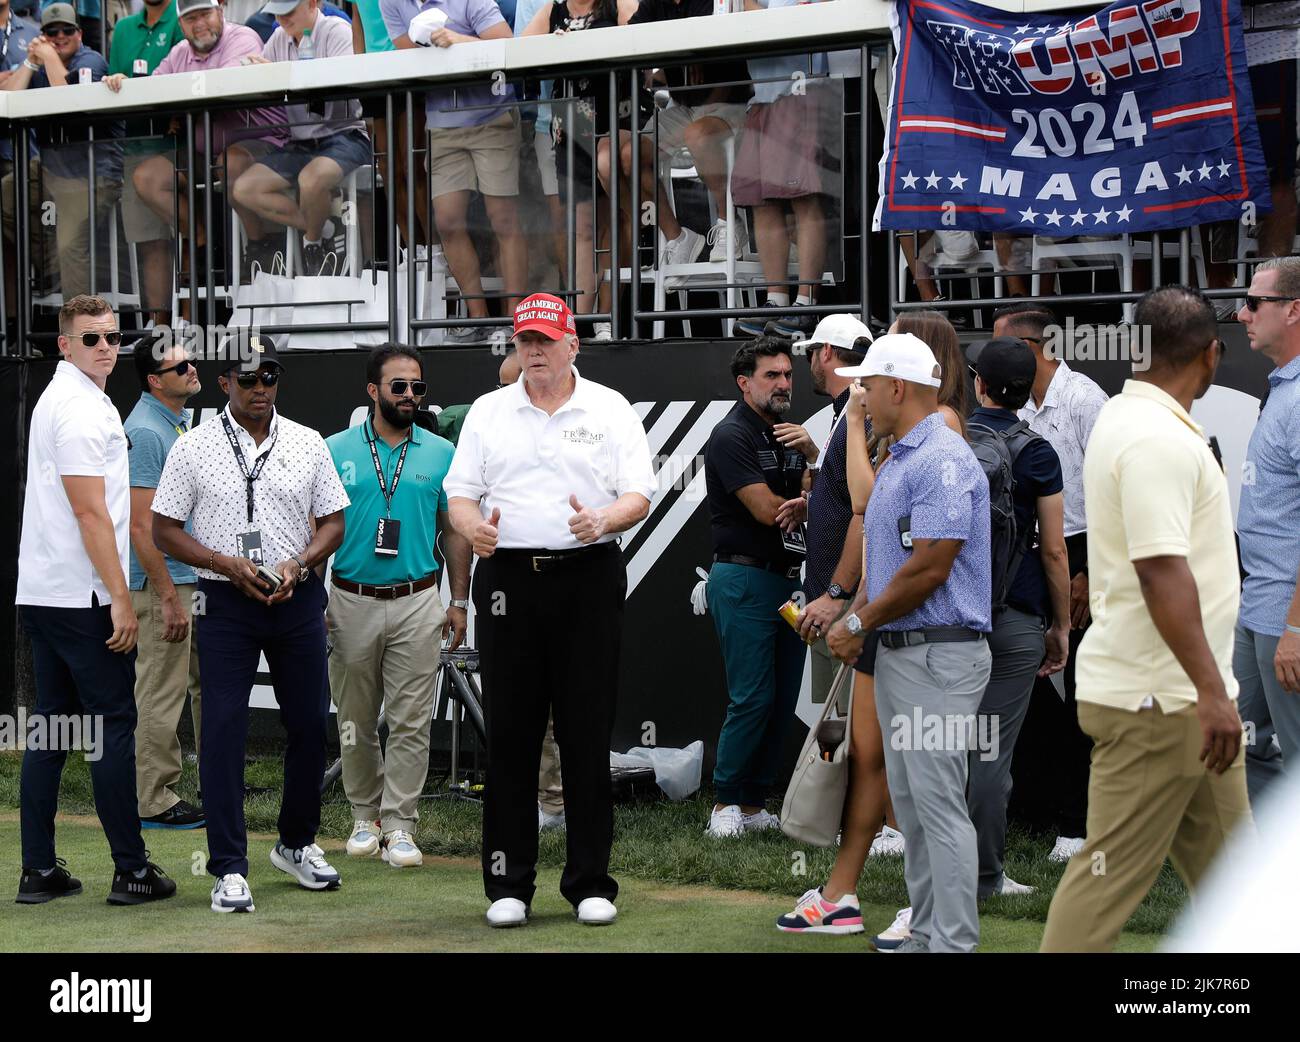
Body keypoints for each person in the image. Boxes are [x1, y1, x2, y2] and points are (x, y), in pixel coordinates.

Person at [1041, 286, 1251, 952]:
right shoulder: (1156, 437)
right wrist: (1213, 693)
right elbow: (1161, 572)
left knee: (1241, 888)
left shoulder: (1132, 422)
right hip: (1161, 705)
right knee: (1105, 879)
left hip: (1179, 699)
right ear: (1212, 355)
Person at [445, 292, 655, 927]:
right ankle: (509, 885)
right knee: (509, 734)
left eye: (544, 339)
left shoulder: (610, 408)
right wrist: (474, 530)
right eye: (524, 340)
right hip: (508, 578)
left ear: (572, 345)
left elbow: (639, 495)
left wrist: (603, 519)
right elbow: (459, 495)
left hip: (588, 574)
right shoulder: (488, 411)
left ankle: (590, 880)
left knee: (586, 733)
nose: (533, 350)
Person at [151, 334, 351, 914]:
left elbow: (334, 522)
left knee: (311, 726)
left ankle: (295, 843)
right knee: (223, 731)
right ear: (225, 383)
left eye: (270, 376)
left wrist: (300, 563)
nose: (260, 387)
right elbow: (164, 528)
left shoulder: (308, 442)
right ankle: (228, 868)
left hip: (297, 598)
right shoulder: (193, 447)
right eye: (248, 377)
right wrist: (223, 562)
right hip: (224, 600)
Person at [825, 331, 992, 954]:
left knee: (938, 805)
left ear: (898, 387)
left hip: (938, 653)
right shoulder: (903, 456)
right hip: (908, 651)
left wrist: (858, 623)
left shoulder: (941, 458)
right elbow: (897, 562)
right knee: (918, 808)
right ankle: (927, 933)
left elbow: (931, 566)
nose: (860, 393)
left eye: (868, 383)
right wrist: (861, 618)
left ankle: (951, 943)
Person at [15, 295, 177, 906]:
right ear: (64, 344)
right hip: (81, 596)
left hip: (46, 591)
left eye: (111, 336)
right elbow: (89, 513)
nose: (105, 346)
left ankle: (38, 872)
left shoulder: (68, 399)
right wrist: (120, 597)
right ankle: (132, 872)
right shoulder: (80, 410)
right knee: (112, 727)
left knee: (53, 727)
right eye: (91, 338)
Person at [326, 344, 471, 868]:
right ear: (372, 391)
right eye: (399, 387)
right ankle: (365, 815)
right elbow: (313, 528)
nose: (410, 396)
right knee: (355, 719)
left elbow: (455, 530)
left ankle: (401, 825)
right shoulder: (331, 447)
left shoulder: (440, 453)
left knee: (412, 720)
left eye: (418, 387)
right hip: (350, 598)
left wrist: (459, 600)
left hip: (417, 599)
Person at [994, 301, 1108, 864]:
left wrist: (1090, 571)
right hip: (1030, 553)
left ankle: (1081, 825)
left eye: (1002, 347)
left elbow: (1115, 491)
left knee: (1083, 695)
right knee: (1026, 683)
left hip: (1084, 553)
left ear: (1034, 349)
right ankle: (1038, 806)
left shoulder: (1087, 401)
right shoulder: (1013, 404)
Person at [963, 336, 1070, 899]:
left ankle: (935, 873)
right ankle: (984, 878)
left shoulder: (949, 441)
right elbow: (1053, 551)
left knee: (934, 750)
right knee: (988, 753)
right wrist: (1061, 627)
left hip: (948, 623)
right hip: (1015, 622)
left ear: (979, 384)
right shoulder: (1038, 453)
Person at [703, 336, 809, 838]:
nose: (784, 383)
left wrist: (811, 458)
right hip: (744, 577)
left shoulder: (791, 433)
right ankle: (725, 803)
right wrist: (803, 501)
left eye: (787, 374)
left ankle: (753, 803)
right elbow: (770, 511)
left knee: (783, 695)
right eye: (772, 375)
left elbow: (813, 498)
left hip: (788, 582)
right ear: (745, 383)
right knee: (752, 695)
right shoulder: (731, 435)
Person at [105, 0, 288, 287]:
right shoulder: (179, 52)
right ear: (180, 25)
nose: (199, 24)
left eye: (205, 14)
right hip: (205, 153)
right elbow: (154, 90)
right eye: (191, 18)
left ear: (221, 12)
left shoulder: (242, 37)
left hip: (262, 144)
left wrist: (179, 105)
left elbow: (222, 88)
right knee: (146, 177)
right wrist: (123, 82)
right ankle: (203, 240)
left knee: (231, 161)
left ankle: (258, 244)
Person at [380, 0, 524, 345]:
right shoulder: (390, 2)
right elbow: (407, 55)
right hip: (442, 124)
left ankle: (515, 321)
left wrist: (459, 40)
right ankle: (478, 319)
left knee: (503, 218)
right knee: (447, 221)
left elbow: (506, 45)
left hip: (492, 114)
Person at [595, 0, 751, 285]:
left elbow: (722, 38)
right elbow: (633, 38)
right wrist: (676, 60)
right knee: (626, 155)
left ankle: (730, 223)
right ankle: (676, 236)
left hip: (728, 102)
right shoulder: (655, 3)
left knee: (698, 134)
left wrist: (689, 55)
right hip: (683, 108)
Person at [125, 332, 205, 830]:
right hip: (165, 585)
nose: (192, 370)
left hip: (186, 579)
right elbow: (141, 525)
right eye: (181, 368)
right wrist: (168, 596)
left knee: (201, 684)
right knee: (160, 689)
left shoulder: (168, 425)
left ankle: (214, 779)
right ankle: (153, 799)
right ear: (156, 381)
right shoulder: (149, 432)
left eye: (191, 362)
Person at [521, 0, 636, 340]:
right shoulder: (552, 10)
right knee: (582, 227)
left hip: (617, 115)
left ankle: (610, 315)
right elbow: (519, 48)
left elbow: (640, 40)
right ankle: (583, 320)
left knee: (614, 222)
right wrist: (549, 44)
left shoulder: (618, 4)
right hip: (570, 125)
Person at [233, 0, 371, 276]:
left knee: (311, 180)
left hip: (344, 133)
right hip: (300, 143)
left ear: (312, 3)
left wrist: (278, 75)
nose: (282, 18)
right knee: (243, 189)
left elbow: (347, 82)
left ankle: (313, 243)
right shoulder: (277, 38)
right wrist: (259, 76)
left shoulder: (337, 30)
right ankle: (325, 228)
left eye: (289, 10)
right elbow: (268, 92)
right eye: (278, 12)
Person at [2, 4, 124, 301]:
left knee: (70, 245)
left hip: (94, 173)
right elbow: (8, 102)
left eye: (67, 30)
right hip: (52, 168)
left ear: (80, 34)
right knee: (6, 196)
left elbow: (67, 101)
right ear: (42, 35)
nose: (59, 36)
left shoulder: (90, 60)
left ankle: (81, 328)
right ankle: (48, 268)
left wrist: (48, 57)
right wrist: (30, 63)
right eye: (51, 32)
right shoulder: (43, 62)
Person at [1234, 256, 1300, 804]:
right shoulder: (1282, 388)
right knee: (1238, 743)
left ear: (1294, 309)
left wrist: (1296, 626)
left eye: (1255, 303)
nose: (1241, 314)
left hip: (1287, 612)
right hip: (1257, 603)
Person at [732, 0, 834, 339]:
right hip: (761, 94)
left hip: (802, 86)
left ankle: (806, 304)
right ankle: (776, 300)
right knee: (763, 200)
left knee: (804, 196)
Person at [103, 0, 183, 326]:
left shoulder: (181, 18)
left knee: (183, 237)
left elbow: (186, 74)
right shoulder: (123, 28)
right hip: (136, 147)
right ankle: (160, 325)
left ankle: (190, 322)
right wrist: (116, 81)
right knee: (150, 243)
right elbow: (114, 80)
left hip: (177, 145)